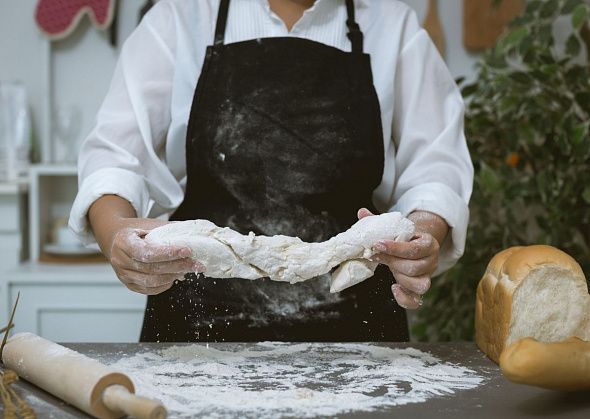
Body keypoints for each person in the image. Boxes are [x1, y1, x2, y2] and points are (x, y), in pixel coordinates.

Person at [69, 0, 473, 342]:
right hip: (197, 323)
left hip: (357, 326)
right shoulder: (182, 15)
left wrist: (424, 231)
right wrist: (115, 234)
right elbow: (115, 156)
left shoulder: (392, 24)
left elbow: (436, 169)